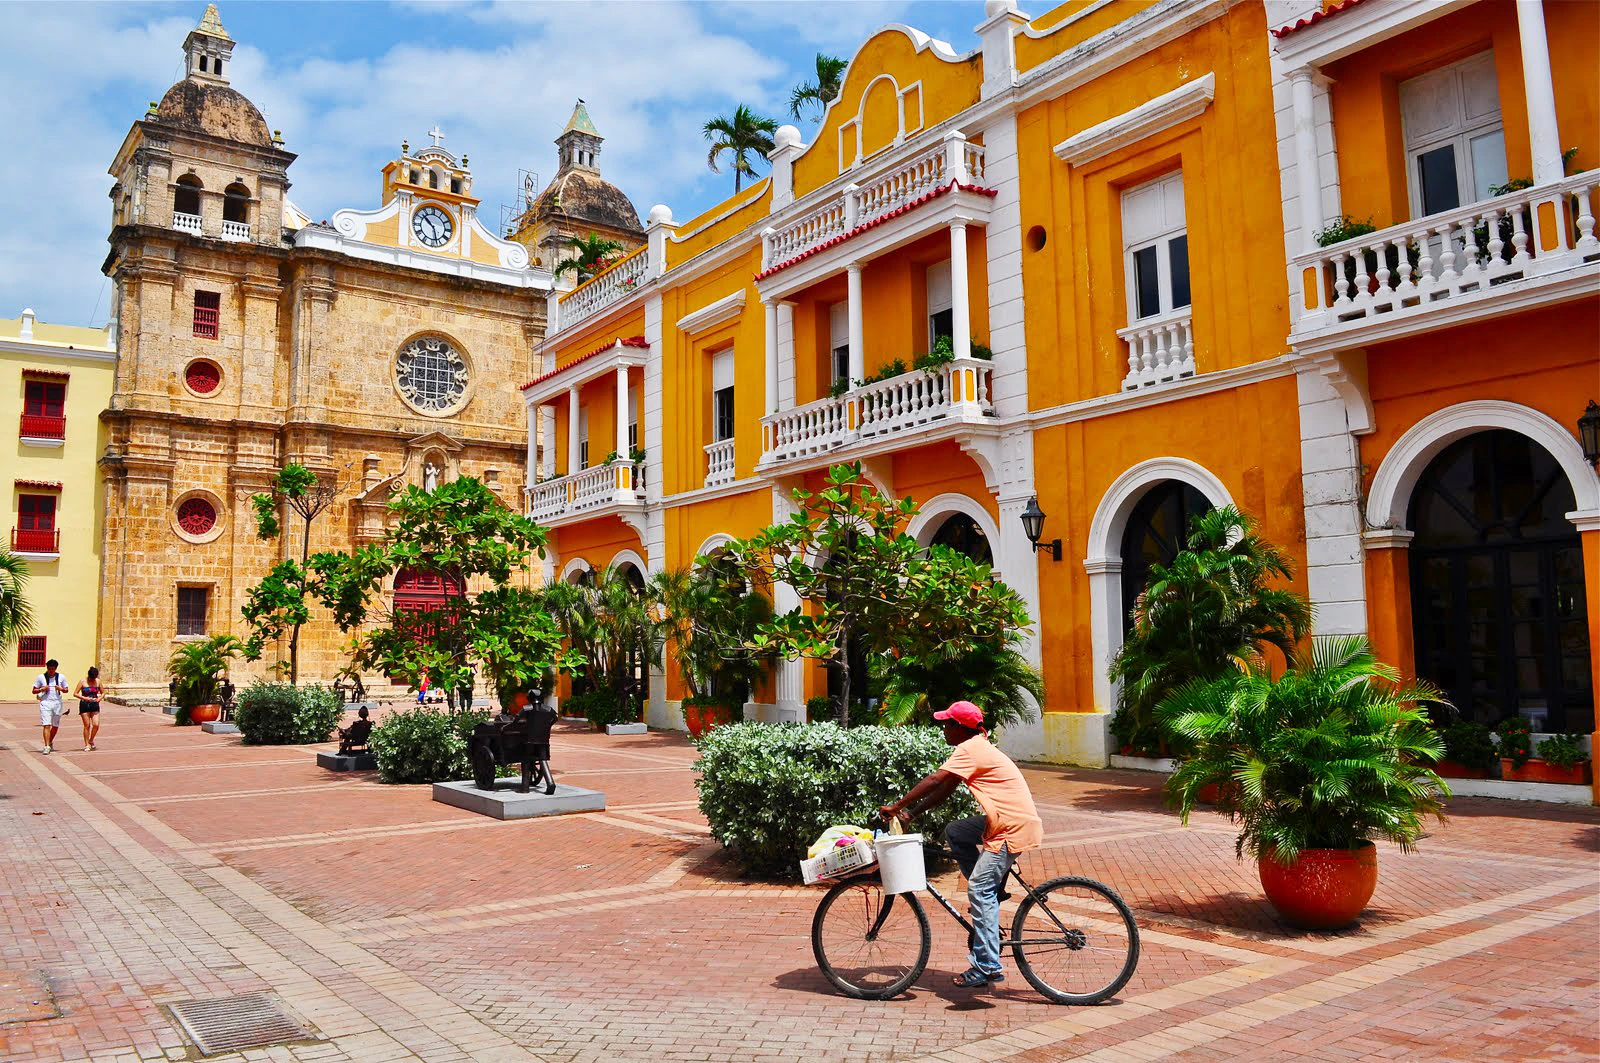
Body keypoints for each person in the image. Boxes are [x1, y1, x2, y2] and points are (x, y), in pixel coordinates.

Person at [880, 700, 1042, 989]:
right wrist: (910, 814)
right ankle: (993, 893)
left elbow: (934, 779)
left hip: (1009, 826)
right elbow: (945, 789)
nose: (944, 729)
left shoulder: (970, 749)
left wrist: (896, 805)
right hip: (1006, 819)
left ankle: (987, 966)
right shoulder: (975, 746)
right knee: (956, 832)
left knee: (979, 889)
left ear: (959, 728)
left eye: (947, 724)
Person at [33, 659, 71, 755]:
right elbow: (33, 690)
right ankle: (46, 746)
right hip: (45, 703)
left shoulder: (61, 677)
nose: (51, 671)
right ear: (47, 668)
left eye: (53, 669)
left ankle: (50, 741)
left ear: (56, 668)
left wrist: (61, 689)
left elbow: (66, 690)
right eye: (49, 669)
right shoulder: (41, 677)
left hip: (57, 703)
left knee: (55, 725)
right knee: (46, 724)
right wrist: (42, 689)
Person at [73, 666, 104, 751]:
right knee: (87, 725)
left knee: (96, 724)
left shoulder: (98, 682)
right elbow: (75, 693)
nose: (92, 680)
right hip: (85, 704)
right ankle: (86, 744)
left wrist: (99, 699)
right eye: (91, 678)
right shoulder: (82, 682)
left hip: (94, 704)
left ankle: (91, 740)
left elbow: (103, 692)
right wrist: (85, 698)